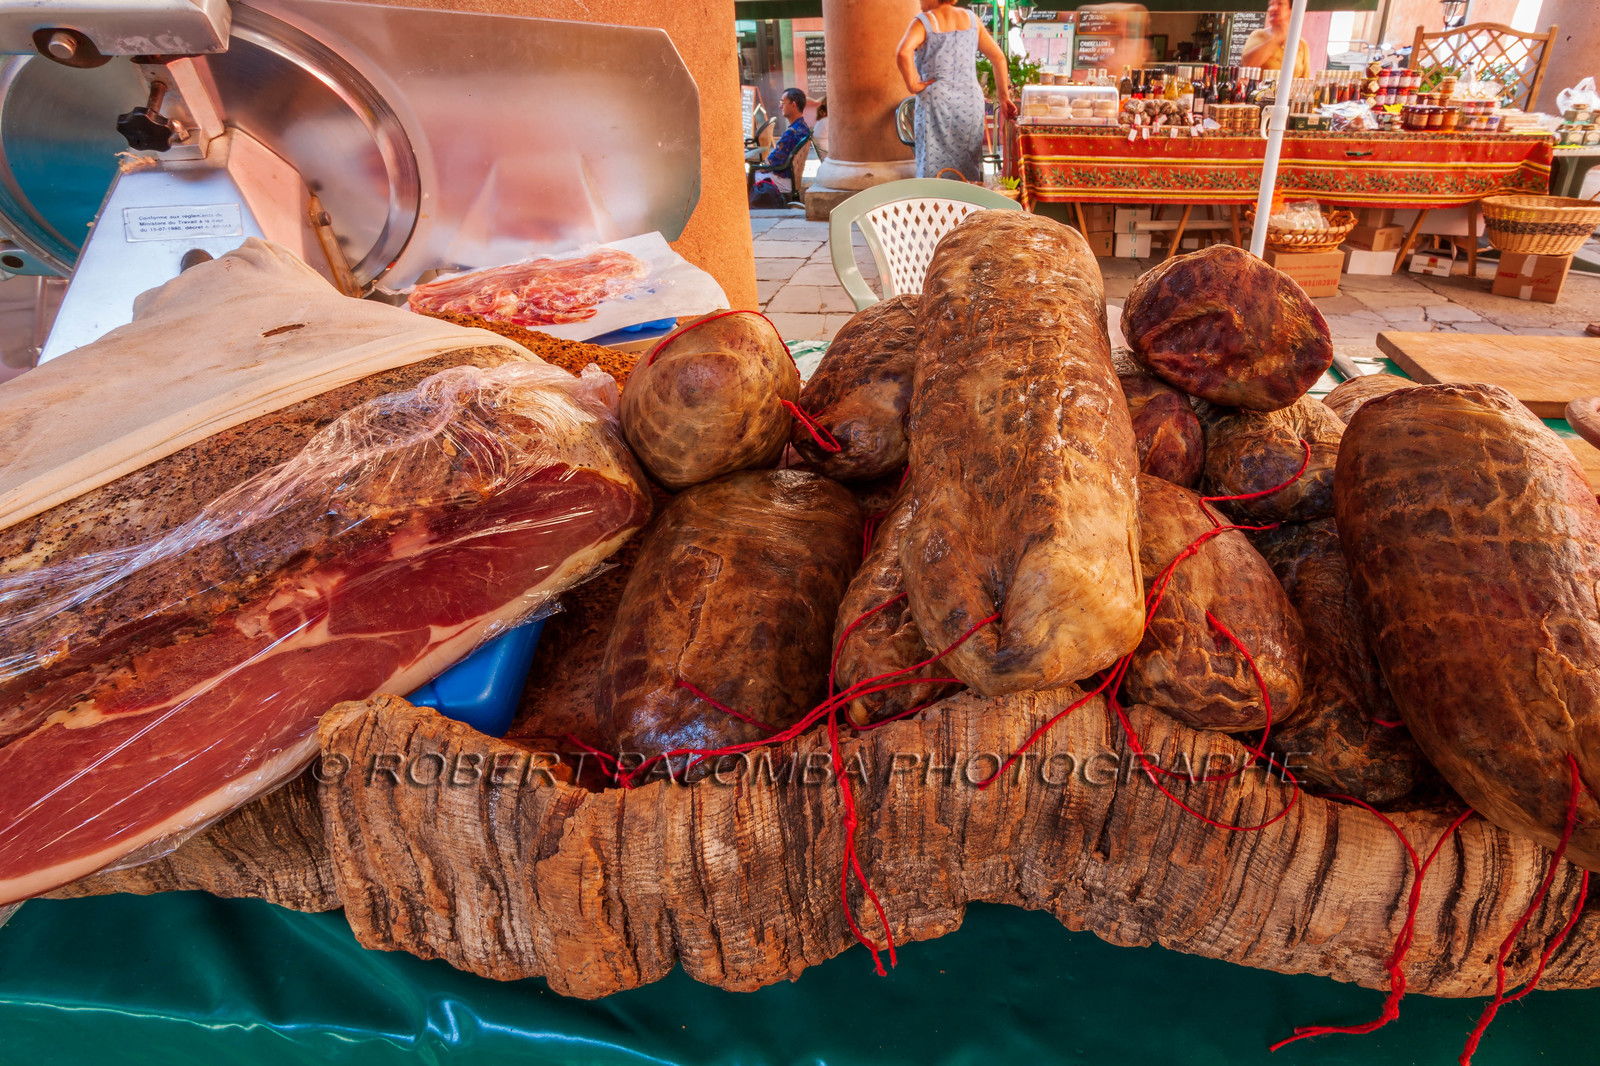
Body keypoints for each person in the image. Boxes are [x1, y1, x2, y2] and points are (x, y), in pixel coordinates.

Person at [895, 1, 1015, 182]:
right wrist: (1004, 97)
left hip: (936, 100)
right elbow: (998, 57)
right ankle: (965, 207)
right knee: (966, 163)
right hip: (969, 100)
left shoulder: (925, 21)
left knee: (932, 164)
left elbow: (903, 52)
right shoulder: (972, 20)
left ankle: (933, 206)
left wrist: (913, 84)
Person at [750, 88, 810, 207]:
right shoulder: (803, 127)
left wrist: (759, 167)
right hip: (789, 178)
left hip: (783, 180)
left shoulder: (791, 132)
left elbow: (772, 163)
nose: (780, 106)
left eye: (783, 102)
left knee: (746, 176)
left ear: (793, 105)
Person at [1241, 0, 1310, 80]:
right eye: (1271, 4)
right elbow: (1246, 65)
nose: (1272, 8)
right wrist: (1276, 38)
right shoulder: (1258, 35)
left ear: (1292, 9)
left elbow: (1305, 81)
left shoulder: (1301, 45)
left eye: (1280, 4)